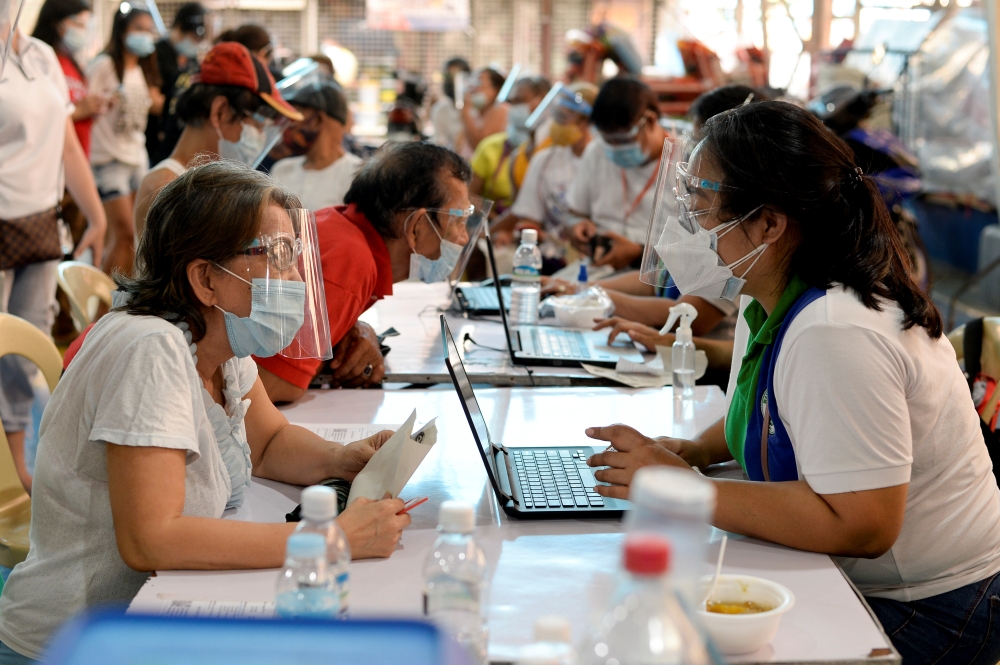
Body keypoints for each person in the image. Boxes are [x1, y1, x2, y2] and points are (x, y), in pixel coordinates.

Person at [585, 101, 1000, 664]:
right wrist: (695, 451)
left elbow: (863, 524)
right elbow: (771, 406)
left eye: (703, 210)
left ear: (770, 223)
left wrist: (684, 491)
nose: (692, 231)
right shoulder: (781, 300)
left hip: (930, 606)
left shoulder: (835, 328)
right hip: (870, 581)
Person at [0, 161, 410, 662]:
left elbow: (269, 443)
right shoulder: (149, 350)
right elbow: (152, 539)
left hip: (150, 619)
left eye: (294, 254)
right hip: (76, 644)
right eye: (277, 255)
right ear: (205, 279)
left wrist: (346, 459)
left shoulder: (220, 343)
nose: (294, 277)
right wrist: (326, 539)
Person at [256, 141, 473, 403]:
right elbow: (276, 384)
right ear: (416, 225)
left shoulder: (340, 227)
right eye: (459, 221)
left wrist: (349, 331)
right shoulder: (352, 262)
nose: (464, 238)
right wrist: (330, 359)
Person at [0, 18, 107, 495]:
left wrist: (95, 213)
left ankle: (15, 466)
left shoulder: (40, 54)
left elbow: (64, 139)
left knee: (26, 349)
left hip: (38, 227)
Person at [133, 41, 303, 239]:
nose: (261, 136)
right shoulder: (167, 188)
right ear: (220, 111)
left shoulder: (211, 184)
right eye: (257, 125)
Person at [87, 1, 164, 277]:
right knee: (121, 234)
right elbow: (85, 107)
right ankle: (103, 310)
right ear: (122, 32)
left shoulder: (142, 70)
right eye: (138, 29)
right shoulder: (105, 66)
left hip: (136, 158)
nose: (145, 35)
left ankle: (123, 298)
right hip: (108, 160)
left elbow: (152, 107)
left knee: (134, 238)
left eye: (149, 30)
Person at [566, 76, 666, 270]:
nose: (614, 148)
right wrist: (574, 225)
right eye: (608, 140)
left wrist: (639, 253)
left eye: (622, 139)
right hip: (599, 267)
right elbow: (572, 213)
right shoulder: (597, 152)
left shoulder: (685, 162)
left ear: (651, 120)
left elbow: (693, 256)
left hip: (657, 277)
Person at [499, 82, 598, 268]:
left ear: (586, 121)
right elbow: (529, 216)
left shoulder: (602, 164)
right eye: (556, 116)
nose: (556, 124)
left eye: (564, 117)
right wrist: (513, 234)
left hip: (592, 261)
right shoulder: (544, 160)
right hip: (551, 260)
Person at [31, 0, 108, 159]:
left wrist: (93, 106)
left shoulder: (72, 64)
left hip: (77, 157)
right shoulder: (37, 60)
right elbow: (33, 117)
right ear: (55, 23)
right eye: (78, 24)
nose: (83, 31)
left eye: (86, 26)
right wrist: (78, 111)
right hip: (52, 160)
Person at [270, 81, 361, 211]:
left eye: (297, 114)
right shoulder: (282, 170)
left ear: (318, 120)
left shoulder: (356, 176)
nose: (289, 124)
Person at [469, 76, 551, 213]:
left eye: (520, 101)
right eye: (512, 102)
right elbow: (470, 195)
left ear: (544, 101)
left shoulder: (554, 151)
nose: (514, 108)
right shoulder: (490, 147)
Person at [145, 2, 208, 165]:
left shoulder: (191, 60)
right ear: (179, 29)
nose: (195, 43)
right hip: (155, 141)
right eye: (193, 38)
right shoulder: (157, 53)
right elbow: (152, 102)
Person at [460, 66, 507, 155]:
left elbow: (479, 147)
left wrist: (465, 112)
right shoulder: (477, 113)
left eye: (479, 83)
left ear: (495, 89)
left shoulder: (501, 109)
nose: (473, 89)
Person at [430, 56, 470, 152]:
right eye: (448, 77)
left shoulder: (478, 109)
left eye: (457, 77)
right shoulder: (440, 110)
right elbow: (440, 143)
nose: (452, 82)